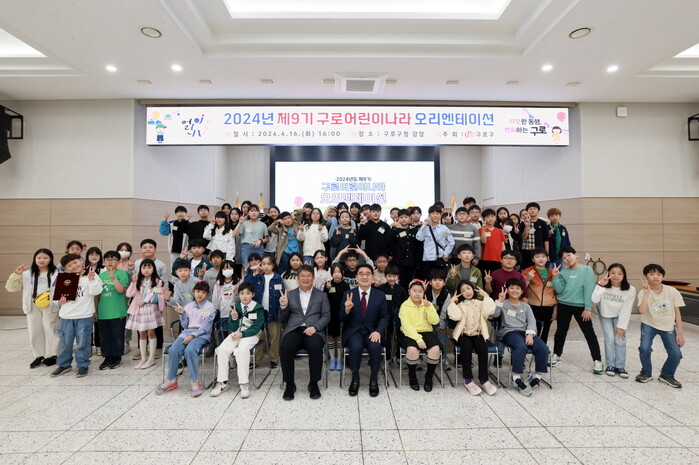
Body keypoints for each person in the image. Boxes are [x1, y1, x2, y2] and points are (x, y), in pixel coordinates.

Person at [279, 265, 331, 401]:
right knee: (286, 346)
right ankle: (289, 384)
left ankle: (313, 383)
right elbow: (282, 318)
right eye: (302, 276)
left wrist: (315, 327)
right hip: (294, 329)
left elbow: (326, 316)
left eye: (308, 276)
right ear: (297, 278)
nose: (305, 278)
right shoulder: (290, 294)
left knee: (315, 347)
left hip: (313, 330)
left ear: (313, 278)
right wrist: (283, 306)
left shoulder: (322, 295)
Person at [156, 281, 216, 397]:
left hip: (202, 335)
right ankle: (171, 379)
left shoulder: (210, 307)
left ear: (207, 294)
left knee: (190, 350)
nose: (200, 294)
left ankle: (194, 380)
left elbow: (206, 326)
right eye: (198, 291)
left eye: (203, 292)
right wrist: (183, 314)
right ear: (194, 292)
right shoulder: (188, 306)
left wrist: (193, 336)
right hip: (187, 333)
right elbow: (185, 325)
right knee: (174, 350)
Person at [492, 279, 550, 396]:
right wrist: (500, 301)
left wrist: (530, 334)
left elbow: (532, 322)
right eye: (512, 288)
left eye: (518, 288)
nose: (515, 290)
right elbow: (494, 315)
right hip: (509, 332)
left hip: (525, 332)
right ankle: (516, 377)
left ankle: (537, 376)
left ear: (522, 291)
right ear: (507, 290)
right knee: (520, 347)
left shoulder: (526, 306)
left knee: (543, 348)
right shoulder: (504, 303)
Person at [340, 264, 389, 397]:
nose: (364, 277)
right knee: (355, 347)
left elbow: (384, 316)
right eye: (361, 274)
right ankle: (355, 378)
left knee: (375, 347)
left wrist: (378, 331)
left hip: (372, 331)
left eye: (368, 274)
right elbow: (341, 318)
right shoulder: (348, 294)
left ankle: (374, 379)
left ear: (373, 277)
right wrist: (347, 309)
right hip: (354, 332)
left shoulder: (380, 295)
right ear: (356, 277)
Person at [50, 254, 103, 378]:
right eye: (69, 265)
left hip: (84, 315)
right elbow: (55, 299)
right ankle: (64, 365)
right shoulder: (64, 278)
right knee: (65, 342)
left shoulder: (91, 275)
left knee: (83, 342)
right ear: (66, 268)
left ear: (80, 261)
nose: (74, 266)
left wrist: (91, 279)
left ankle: (83, 365)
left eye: (75, 262)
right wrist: (59, 301)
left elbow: (96, 292)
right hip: (66, 316)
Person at [5, 248, 60, 368]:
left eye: (45, 258)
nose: (42, 260)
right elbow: (11, 288)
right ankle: (39, 355)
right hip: (32, 305)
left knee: (50, 329)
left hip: (50, 305)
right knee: (35, 331)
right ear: (35, 259)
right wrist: (16, 274)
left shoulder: (57, 273)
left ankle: (53, 355)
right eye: (39, 258)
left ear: (50, 259)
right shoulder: (26, 274)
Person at [551, 246, 603, 374]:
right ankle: (556, 355)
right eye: (564, 258)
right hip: (564, 305)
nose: (567, 259)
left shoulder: (587, 270)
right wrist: (555, 277)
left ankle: (597, 360)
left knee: (589, 333)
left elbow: (589, 289)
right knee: (560, 332)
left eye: (569, 255)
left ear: (576, 255)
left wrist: (588, 308)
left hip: (581, 307)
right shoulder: (563, 272)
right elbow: (559, 290)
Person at [211, 282, 265, 398]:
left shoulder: (258, 308)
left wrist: (243, 334)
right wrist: (234, 318)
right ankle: (222, 383)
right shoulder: (236, 307)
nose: (245, 296)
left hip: (251, 335)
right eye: (242, 293)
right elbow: (233, 327)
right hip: (236, 333)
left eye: (248, 293)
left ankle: (244, 384)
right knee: (222, 349)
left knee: (241, 350)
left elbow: (257, 328)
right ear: (238, 295)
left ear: (253, 294)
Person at [636, 264, 686, 388]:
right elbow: (642, 310)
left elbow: (677, 313)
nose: (655, 277)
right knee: (644, 348)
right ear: (645, 276)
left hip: (668, 326)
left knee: (676, 354)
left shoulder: (672, 291)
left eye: (659, 274)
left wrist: (680, 333)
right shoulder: (643, 292)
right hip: (649, 324)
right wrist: (646, 293)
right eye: (651, 274)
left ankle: (667, 375)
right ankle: (646, 372)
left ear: (663, 277)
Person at [447, 280, 498, 396]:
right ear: (460, 294)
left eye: (468, 288)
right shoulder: (460, 305)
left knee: (482, 349)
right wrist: (452, 302)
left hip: (477, 333)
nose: (467, 292)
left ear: (473, 289)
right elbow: (455, 317)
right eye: (463, 290)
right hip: (463, 334)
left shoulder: (480, 303)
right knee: (466, 348)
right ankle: (468, 380)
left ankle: (484, 380)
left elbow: (489, 311)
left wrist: (486, 296)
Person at [592, 264, 636, 378]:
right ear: (608, 273)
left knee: (620, 339)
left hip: (620, 315)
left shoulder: (630, 289)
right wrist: (601, 284)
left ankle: (620, 366)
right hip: (605, 314)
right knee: (609, 339)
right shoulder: (602, 285)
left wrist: (621, 326)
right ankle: (610, 365)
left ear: (624, 275)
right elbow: (594, 300)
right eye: (613, 273)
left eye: (620, 273)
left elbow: (626, 309)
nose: (616, 276)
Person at [399, 281, 441, 391]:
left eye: (420, 291)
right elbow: (407, 326)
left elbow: (435, 321)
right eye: (414, 291)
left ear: (424, 292)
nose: (417, 294)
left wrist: (429, 308)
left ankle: (429, 377)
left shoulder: (428, 304)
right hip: (410, 333)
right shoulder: (404, 306)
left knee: (435, 350)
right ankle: (412, 376)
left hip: (427, 331)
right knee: (412, 350)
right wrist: (418, 340)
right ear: (409, 292)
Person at [126, 259, 166, 370]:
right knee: (141, 333)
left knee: (151, 333)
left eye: (149, 267)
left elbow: (154, 293)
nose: (146, 270)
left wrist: (143, 302)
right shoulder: (138, 280)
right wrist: (133, 282)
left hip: (151, 309)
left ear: (153, 269)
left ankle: (151, 359)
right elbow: (129, 294)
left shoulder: (158, 281)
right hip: (139, 310)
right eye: (144, 267)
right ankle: (143, 358)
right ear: (140, 269)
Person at [134, 239, 169, 359]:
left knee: (156, 324)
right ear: (140, 250)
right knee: (140, 325)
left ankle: (158, 347)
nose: (147, 249)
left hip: (154, 299)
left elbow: (164, 282)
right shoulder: (137, 263)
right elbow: (134, 281)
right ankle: (142, 349)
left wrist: (163, 299)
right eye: (144, 247)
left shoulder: (161, 264)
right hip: (140, 300)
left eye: (150, 247)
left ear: (155, 249)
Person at [249, 255, 285, 369]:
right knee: (259, 337)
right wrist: (253, 270)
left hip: (274, 312)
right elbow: (248, 284)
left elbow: (282, 294)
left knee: (274, 337)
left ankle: (274, 359)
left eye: (269, 264)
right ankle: (254, 360)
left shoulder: (278, 278)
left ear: (273, 265)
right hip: (259, 313)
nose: (266, 266)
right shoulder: (257, 278)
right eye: (263, 264)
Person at [96, 251, 129, 370]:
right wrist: (95, 311)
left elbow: (121, 290)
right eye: (108, 260)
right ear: (104, 261)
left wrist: (114, 279)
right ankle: (107, 357)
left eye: (114, 259)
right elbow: (97, 295)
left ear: (118, 261)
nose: (110, 262)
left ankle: (116, 357)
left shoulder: (122, 273)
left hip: (117, 311)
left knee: (117, 336)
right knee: (104, 337)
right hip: (103, 312)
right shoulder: (100, 276)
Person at [523, 247, 557, 344]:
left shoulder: (552, 273)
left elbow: (556, 292)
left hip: (548, 306)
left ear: (547, 258)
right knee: (532, 331)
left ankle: (542, 350)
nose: (540, 259)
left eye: (543, 256)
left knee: (545, 330)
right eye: (537, 257)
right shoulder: (528, 271)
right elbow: (521, 290)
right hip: (533, 306)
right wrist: (527, 280)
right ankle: (532, 349)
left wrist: (555, 309)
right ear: (533, 259)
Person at [377, 265, 407, 364]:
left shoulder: (401, 289)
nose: (392, 279)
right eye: (389, 276)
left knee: (399, 337)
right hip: (385, 318)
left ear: (398, 276)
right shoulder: (381, 289)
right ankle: (387, 358)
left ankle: (399, 357)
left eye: (394, 276)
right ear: (385, 276)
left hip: (399, 319)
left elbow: (405, 304)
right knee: (386, 339)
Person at [416, 204, 454, 279]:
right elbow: (419, 238)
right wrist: (424, 225)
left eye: (437, 213)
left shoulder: (444, 228)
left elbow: (451, 242)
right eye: (433, 213)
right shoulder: (425, 228)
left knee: (440, 280)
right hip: (428, 259)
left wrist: (446, 253)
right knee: (428, 280)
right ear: (429, 215)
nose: (435, 216)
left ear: (440, 215)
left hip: (440, 259)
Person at [324, 263, 350, 371]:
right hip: (330, 315)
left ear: (342, 273)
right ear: (331, 274)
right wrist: (327, 288)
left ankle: (339, 359)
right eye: (334, 272)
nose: (337, 274)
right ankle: (332, 359)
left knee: (339, 337)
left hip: (341, 315)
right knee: (331, 337)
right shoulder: (328, 284)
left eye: (339, 272)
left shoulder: (346, 285)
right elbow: (324, 298)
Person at [387, 209, 420, 287]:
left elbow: (418, 246)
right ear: (398, 219)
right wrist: (394, 228)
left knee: (410, 282)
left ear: (410, 218)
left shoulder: (414, 230)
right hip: (399, 262)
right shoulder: (396, 230)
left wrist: (418, 261)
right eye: (401, 217)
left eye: (406, 217)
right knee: (400, 282)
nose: (404, 219)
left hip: (412, 262)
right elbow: (389, 241)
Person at [268, 211, 301, 276]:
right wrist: (277, 221)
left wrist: (294, 213)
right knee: (284, 272)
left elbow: (302, 211)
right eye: (284, 219)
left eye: (289, 218)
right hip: (285, 253)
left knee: (297, 272)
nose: (287, 220)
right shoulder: (281, 229)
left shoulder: (297, 225)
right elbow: (270, 228)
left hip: (297, 253)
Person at [159, 206, 191, 271]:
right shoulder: (172, 223)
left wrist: (185, 221)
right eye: (178, 212)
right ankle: (173, 278)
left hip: (184, 250)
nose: (180, 214)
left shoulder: (189, 224)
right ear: (176, 214)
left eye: (182, 212)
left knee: (185, 267)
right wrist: (164, 222)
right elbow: (164, 232)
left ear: (185, 213)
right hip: (173, 250)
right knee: (174, 267)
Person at [519, 202, 549, 269]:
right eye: (530, 209)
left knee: (539, 270)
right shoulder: (523, 223)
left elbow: (546, 239)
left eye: (535, 209)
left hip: (539, 252)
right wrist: (527, 226)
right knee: (527, 270)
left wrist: (547, 253)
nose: (532, 210)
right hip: (526, 252)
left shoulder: (543, 223)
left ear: (538, 211)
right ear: (527, 211)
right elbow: (523, 237)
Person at [478, 208, 505, 274]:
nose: (490, 219)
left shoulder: (499, 231)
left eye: (492, 216)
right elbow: (483, 241)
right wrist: (483, 230)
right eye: (488, 217)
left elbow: (503, 245)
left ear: (495, 218)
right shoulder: (480, 230)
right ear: (483, 219)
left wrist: (503, 258)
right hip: (485, 258)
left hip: (498, 259)